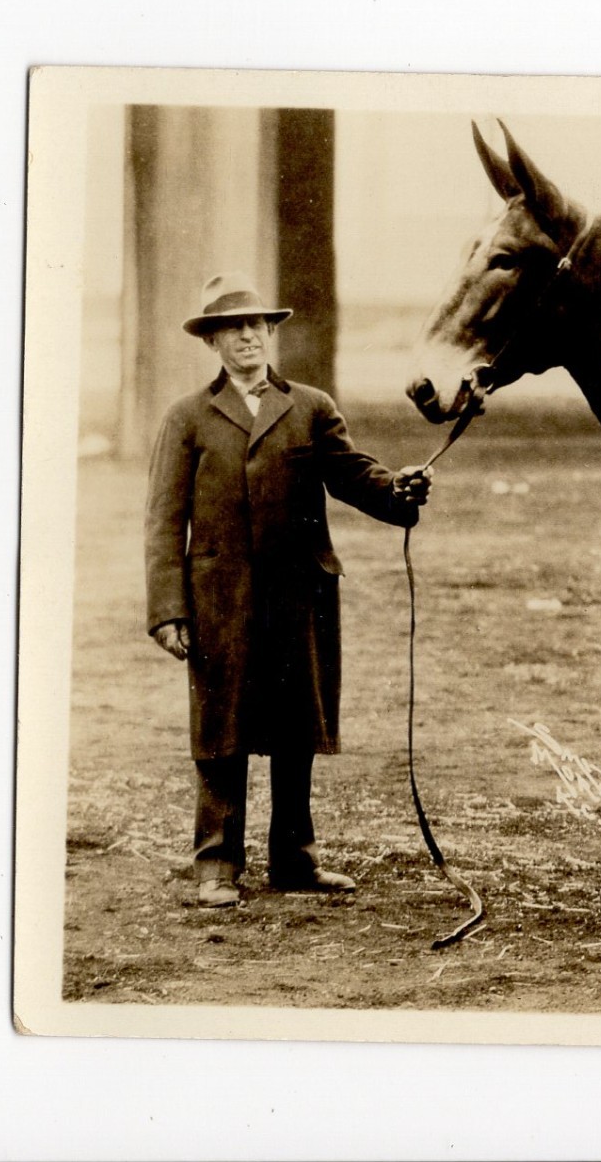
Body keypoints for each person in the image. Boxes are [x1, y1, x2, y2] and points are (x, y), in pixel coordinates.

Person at [146, 272, 433, 909]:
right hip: (218, 599)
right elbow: (163, 519)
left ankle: (294, 860)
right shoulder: (187, 417)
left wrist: (398, 491)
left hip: (299, 593)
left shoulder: (311, 406)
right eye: (232, 328)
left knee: (295, 725)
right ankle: (216, 864)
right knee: (220, 729)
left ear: (270, 333)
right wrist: (168, 609)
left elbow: (354, 475)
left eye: (257, 325)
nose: (248, 336)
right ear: (213, 342)